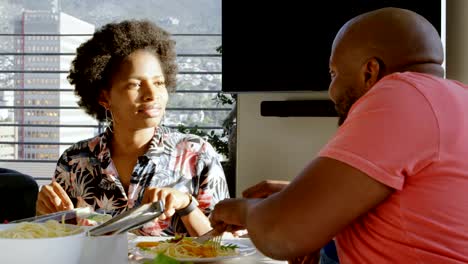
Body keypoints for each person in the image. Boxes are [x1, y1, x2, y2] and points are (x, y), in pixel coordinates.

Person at [209, 7, 468, 263]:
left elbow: (282, 234)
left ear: (370, 71)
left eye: (333, 74)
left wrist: (243, 210)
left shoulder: (401, 93)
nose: (331, 90)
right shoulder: (458, 99)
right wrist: (307, 201)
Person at [35, 19, 230, 237]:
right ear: (103, 96)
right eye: (135, 84)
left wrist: (186, 205)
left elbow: (224, 244)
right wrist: (47, 217)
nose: (151, 94)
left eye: (159, 83)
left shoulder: (196, 154)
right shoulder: (74, 162)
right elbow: (61, 241)